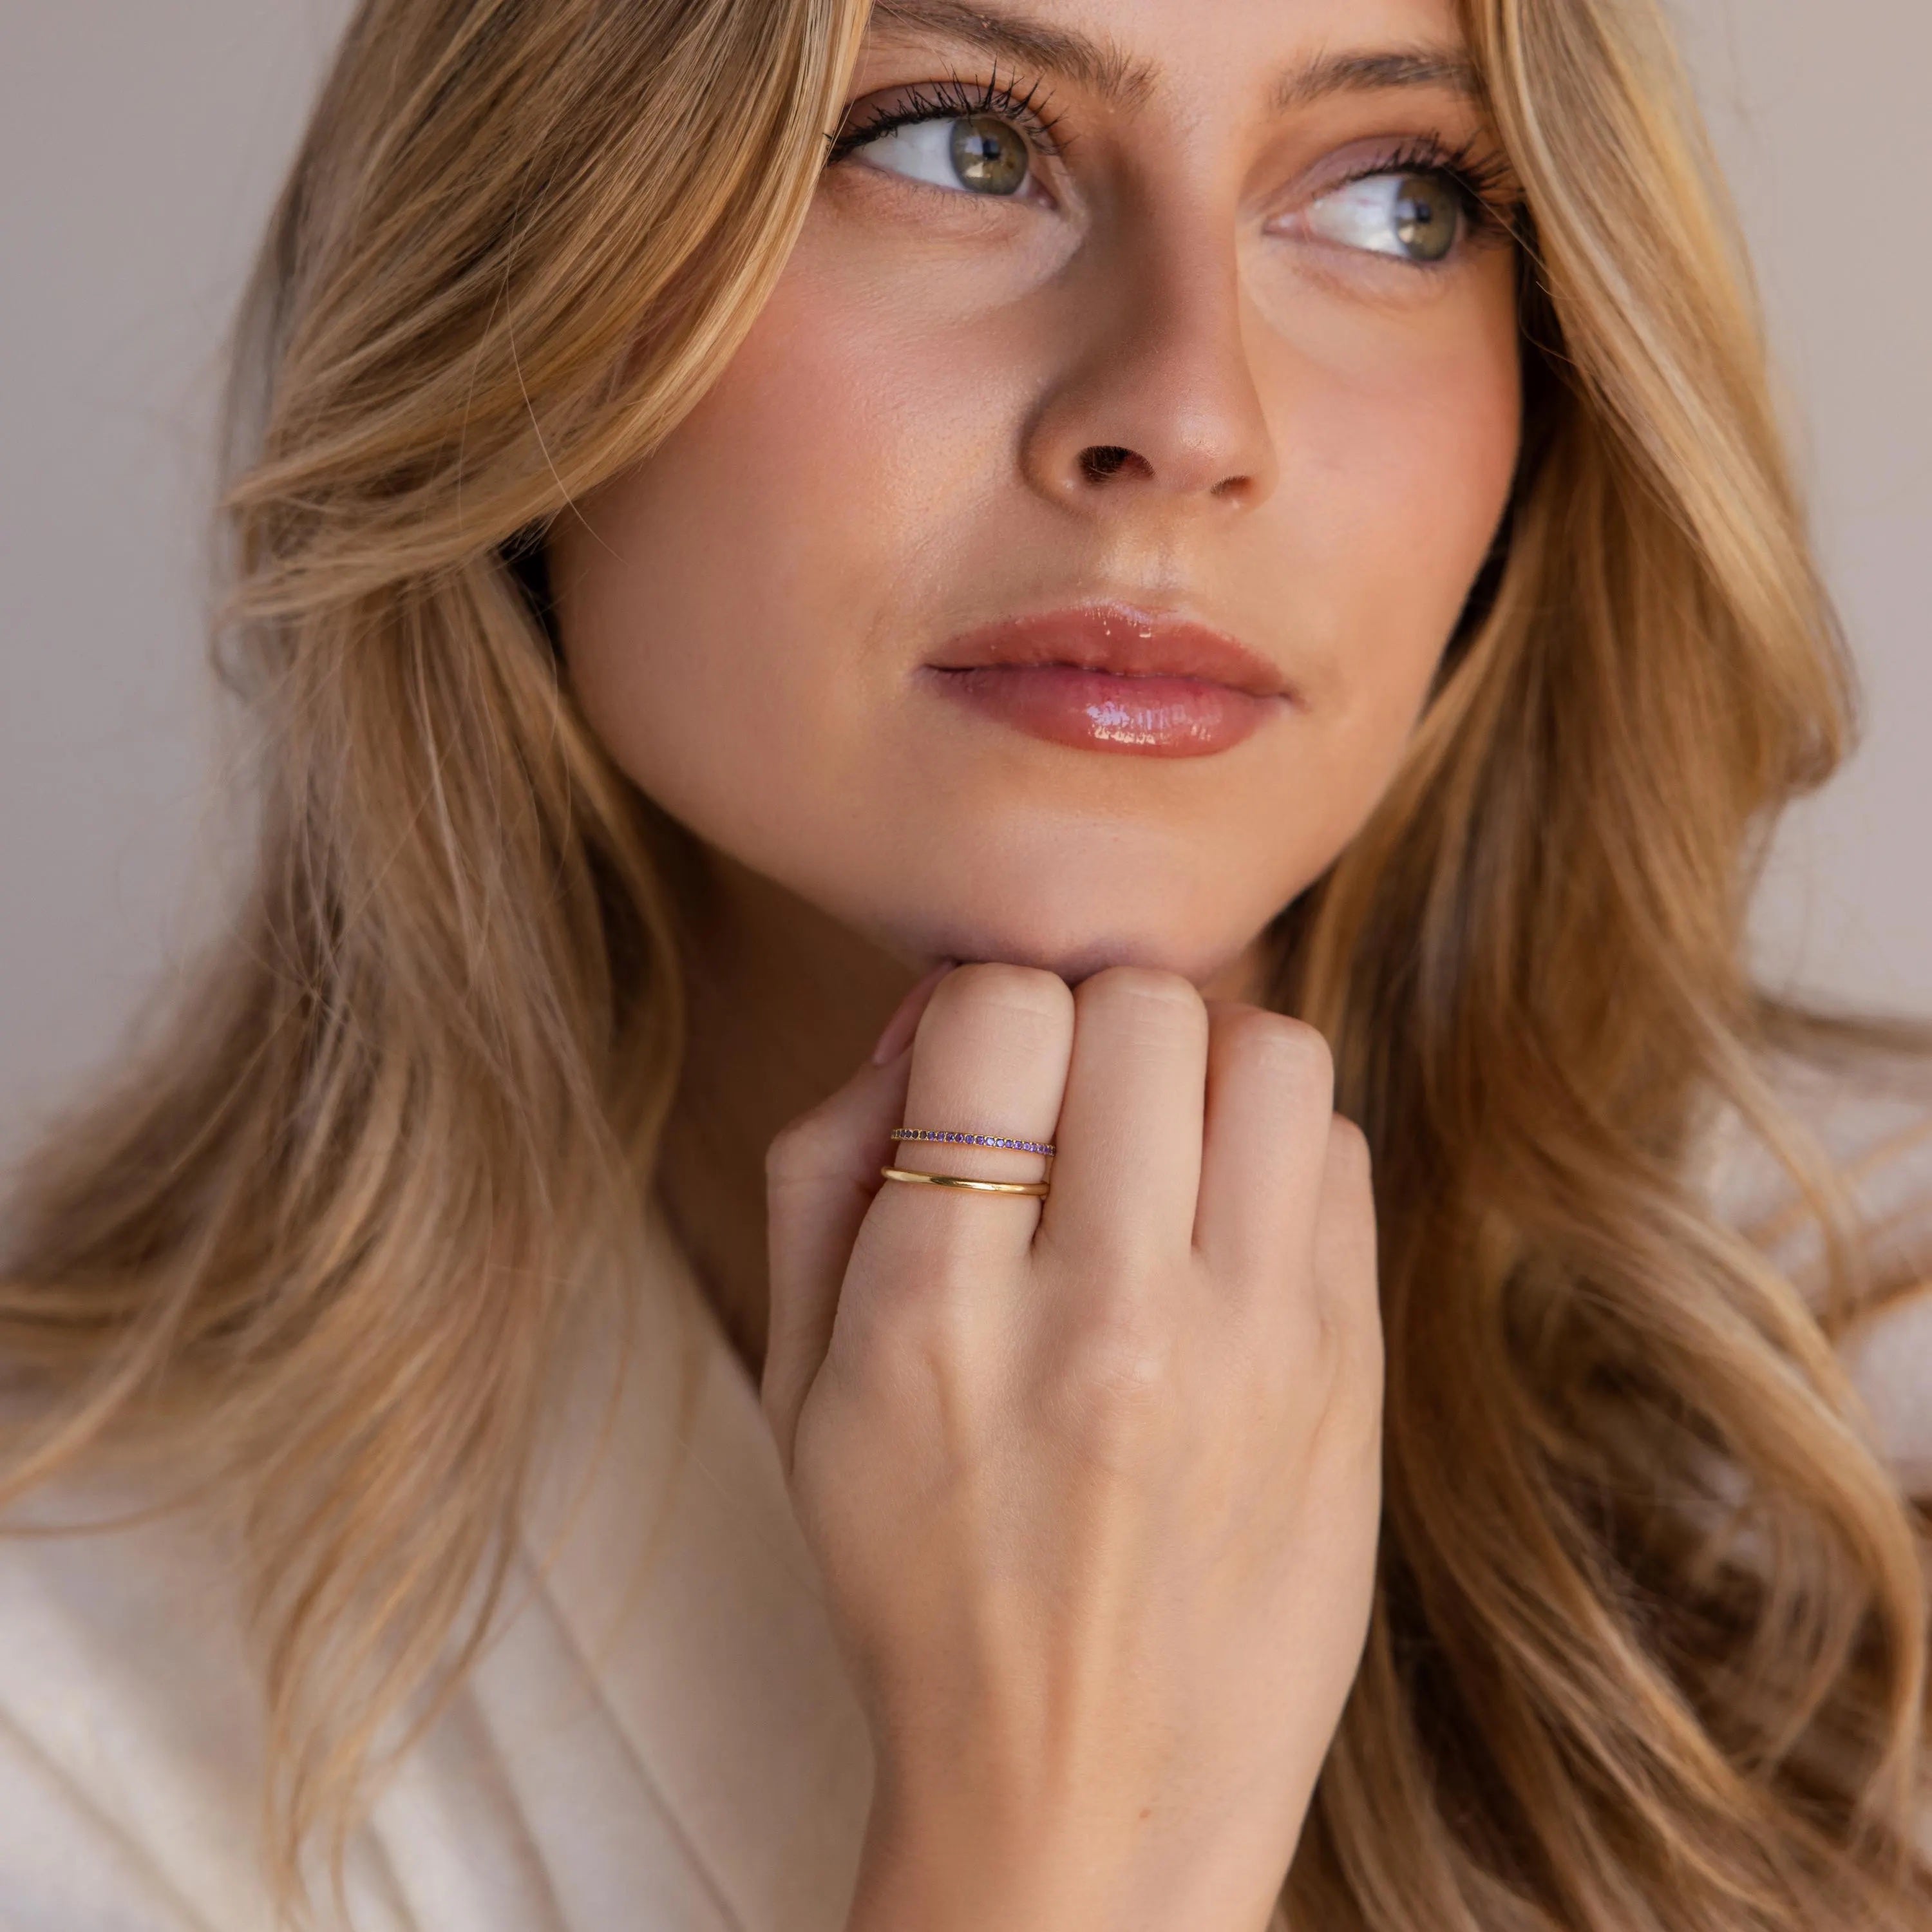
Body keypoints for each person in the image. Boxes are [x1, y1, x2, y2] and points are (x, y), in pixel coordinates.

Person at [2, 0, 1927, 1925]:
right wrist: (1058, 1858)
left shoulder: (1878, 1413)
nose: (1189, 419)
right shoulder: (65, 1689)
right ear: (520, 265)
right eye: (955, 147)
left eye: (1401, 199)